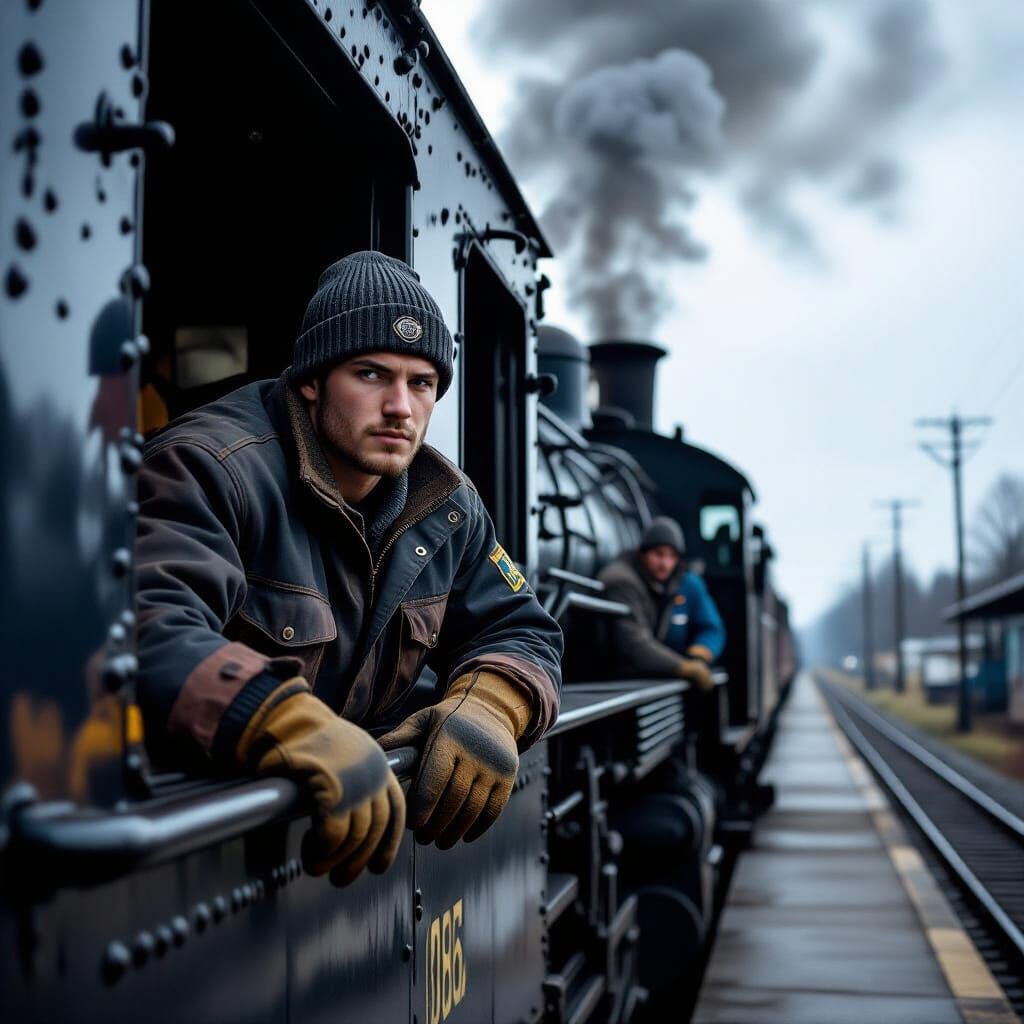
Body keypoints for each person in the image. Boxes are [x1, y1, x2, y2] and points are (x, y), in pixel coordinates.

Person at [136, 251, 563, 886]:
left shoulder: (448, 505)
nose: (401, 407)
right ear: (311, 379)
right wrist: (282, 719)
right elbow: (144, 625)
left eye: (422, 383)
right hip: (197, 860)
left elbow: (522, 627)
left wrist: (493, 703)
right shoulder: (208, 468)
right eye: (372, 374)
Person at [598, 517, 725, 687]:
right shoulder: (621, 581)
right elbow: (634, 644)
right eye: (658, 554)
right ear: (642, 553)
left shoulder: (687, 583)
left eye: (672, 556)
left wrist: (700, 654)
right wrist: (684, 667)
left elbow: (712, 627)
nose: (665, 564)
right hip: (620, 679)